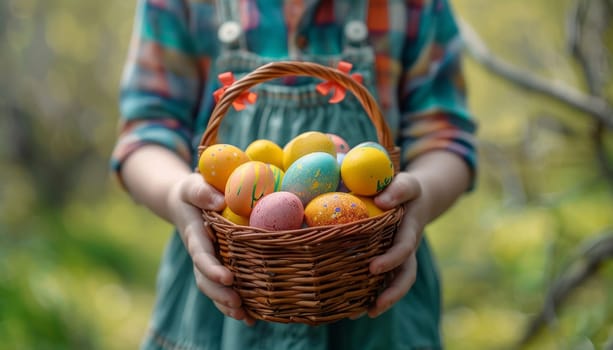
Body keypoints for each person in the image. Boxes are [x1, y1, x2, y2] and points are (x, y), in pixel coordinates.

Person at [111, 0, 477, 349]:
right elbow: (146, 133)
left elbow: (446, 138)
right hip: (219, 281)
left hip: (374, 273)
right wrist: (177, 195)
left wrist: (422, 198)